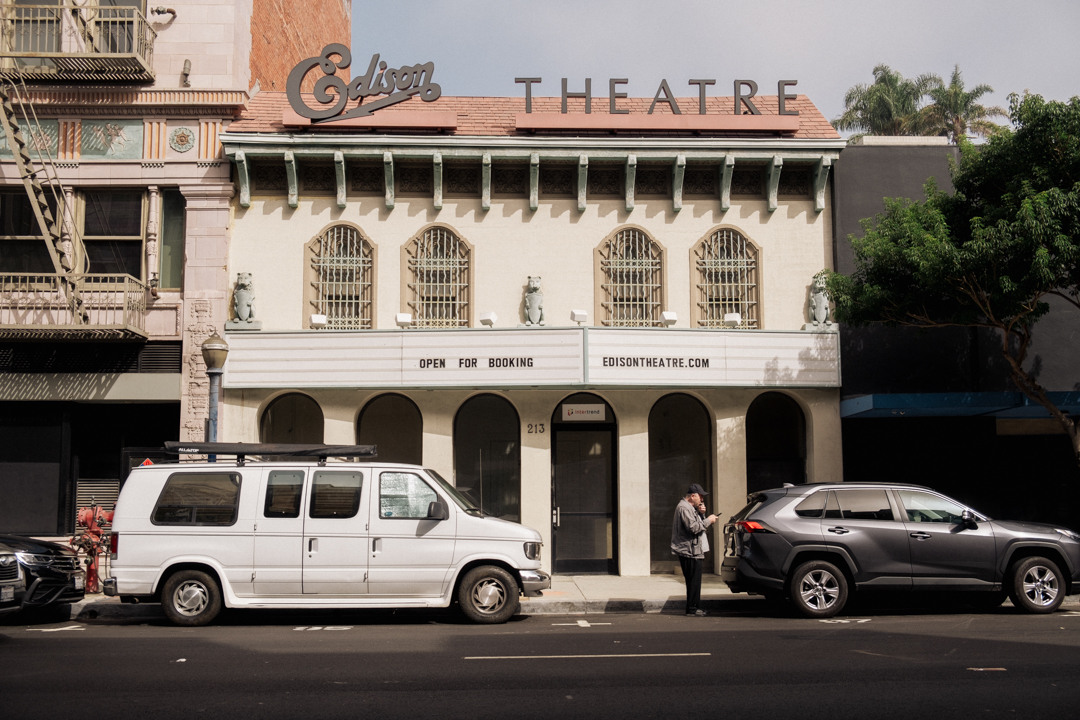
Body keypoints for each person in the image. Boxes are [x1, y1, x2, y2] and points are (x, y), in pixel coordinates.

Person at [671, 483, 718, 616]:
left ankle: (693, 607)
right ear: (692, 496)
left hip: (693, 550)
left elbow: (696, 524)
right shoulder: (684, 508)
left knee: (694, 581)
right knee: (693, 581)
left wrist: (701, 514)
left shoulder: (690, 508)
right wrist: (708, 520)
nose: (702, 500)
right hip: (689, 551)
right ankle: (692, 609)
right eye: (700, 497)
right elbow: (694, 528)